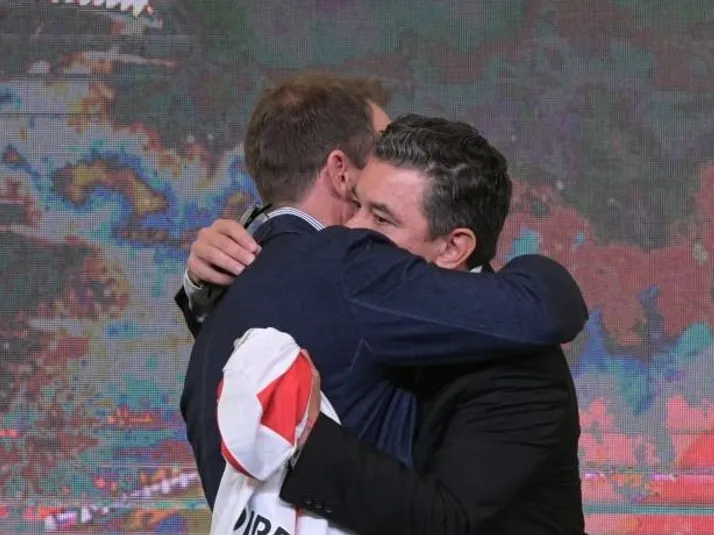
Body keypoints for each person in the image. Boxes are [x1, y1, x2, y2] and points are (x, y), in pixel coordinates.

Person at [178, 74, 588, 528]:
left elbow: (449, 522)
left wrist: (304, 443)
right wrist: (204, 286)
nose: (351, 230)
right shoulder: (361, 303)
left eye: (381, 218)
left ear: (453, 247)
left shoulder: (519, 367)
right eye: (357, 204)